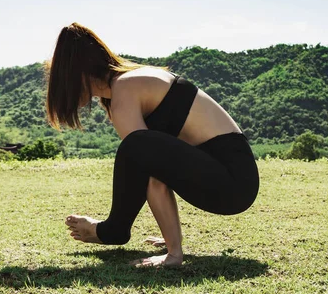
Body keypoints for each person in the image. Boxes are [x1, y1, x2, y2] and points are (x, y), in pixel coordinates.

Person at [46, 23, 259, 267]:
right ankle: (116, 230)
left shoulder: (124, 92)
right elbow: (164, 168)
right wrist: (170, 239)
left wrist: (174, 253)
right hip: (233, 177)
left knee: (136, 147)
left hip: (231, 181)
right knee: (138, 148)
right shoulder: (132, 80)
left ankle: (114, 230)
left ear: (77, 73)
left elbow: (151, 174)